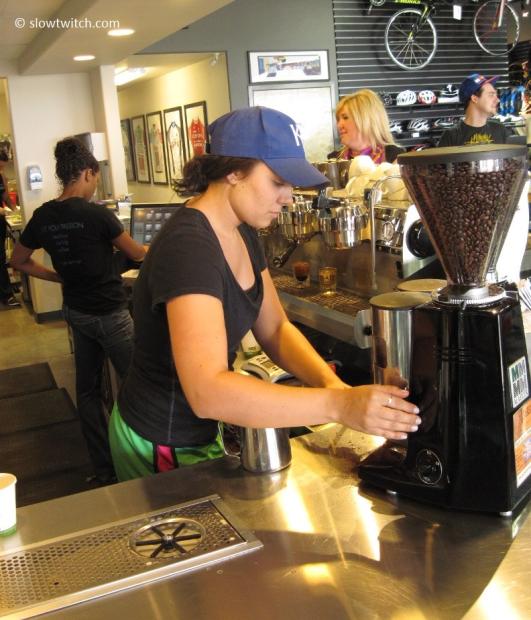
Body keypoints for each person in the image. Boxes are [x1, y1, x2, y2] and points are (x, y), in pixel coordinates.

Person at [109, 106, 420, 481]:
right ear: (233, 171)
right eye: (277, 182)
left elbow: (275, 329)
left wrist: (333, 386)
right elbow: (207, 390)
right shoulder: (189, 248)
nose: (288, 197)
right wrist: (338, 405)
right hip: (162, 438)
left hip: (199, 429)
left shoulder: (241, 230)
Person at [11, 137, 146, 484]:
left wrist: (57, 276)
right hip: (111, 315)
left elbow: (19, 261)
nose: (95, 184)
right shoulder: (97, 214)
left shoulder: (43, 216)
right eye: (95, 177)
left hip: (77, 313)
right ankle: (143, 466)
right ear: (87, 172)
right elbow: (137, 254)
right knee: (137, 386)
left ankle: (105, 470)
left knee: (88, 392)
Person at [328, 89, 404, 163]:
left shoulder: (395, 157)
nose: (339, 125)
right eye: (338, 119)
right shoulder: (333, 160)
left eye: (345, 118)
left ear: (366, 120)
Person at [438, 73, 511, 147]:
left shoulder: (500, 130)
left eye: (496, 95)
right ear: (474, 98)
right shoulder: (450, 136)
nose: (498, 100)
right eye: (491, 95)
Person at [0, 151, 20, 307]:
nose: (1, 169)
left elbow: (5, 196)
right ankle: (6, 295)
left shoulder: (1, 176)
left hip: (1, 222)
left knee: (1, 257)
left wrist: (15, 209)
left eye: (3, 167)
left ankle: (6, 292)